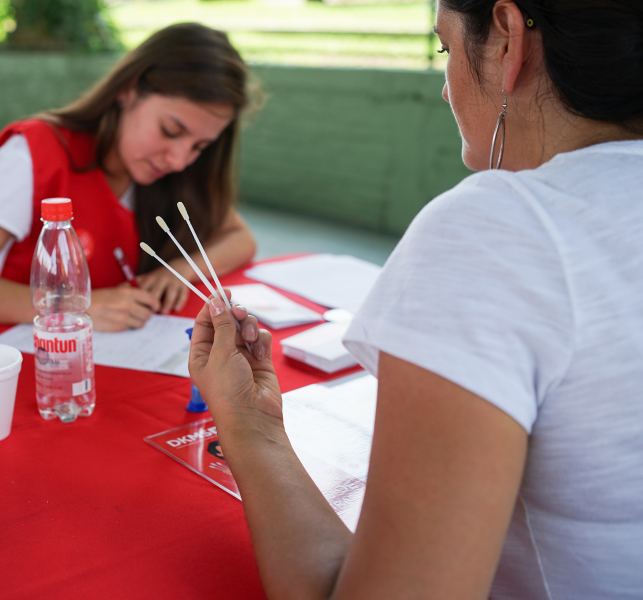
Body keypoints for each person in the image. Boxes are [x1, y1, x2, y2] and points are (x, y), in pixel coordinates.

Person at [189, 1, 643, 598]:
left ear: (508, 39)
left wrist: (249, 427)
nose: (448, 90)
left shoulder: (497, 228)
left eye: (447, 49)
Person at [0, 23, 257, 332]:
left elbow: (240, 239)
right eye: (170, 131)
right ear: (128, 90)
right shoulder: (34, 154)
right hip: (22, 361)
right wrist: (77, 306)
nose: (180, 159)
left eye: (200, 146)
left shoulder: (178, 173)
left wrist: (184, 268)